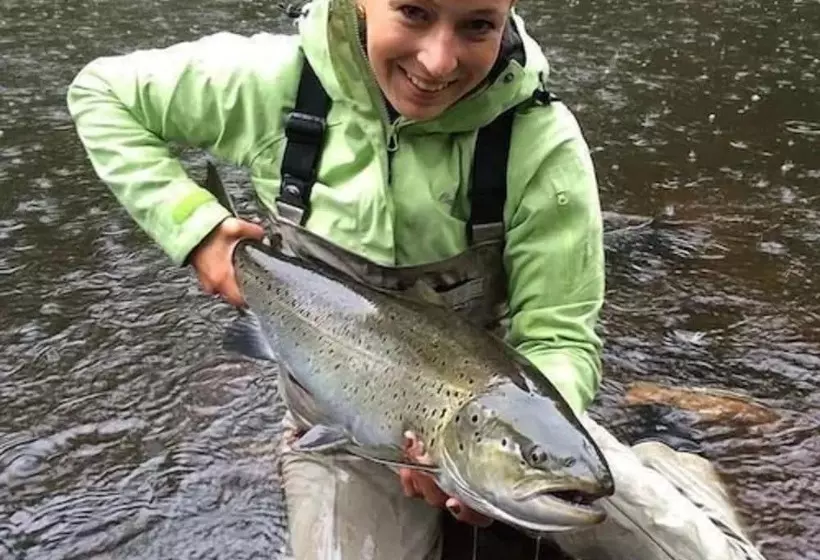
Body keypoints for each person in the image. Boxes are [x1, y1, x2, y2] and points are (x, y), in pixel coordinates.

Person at [66, 0, 768, 558]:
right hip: (336, 437)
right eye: (412, 12)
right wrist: (197, 230)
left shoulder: (539, 143)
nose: (437, 60)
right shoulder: (271, 84)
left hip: (505, 423)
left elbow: (558, 333)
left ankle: (671, 468)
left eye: (477, 26)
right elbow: (100, 93)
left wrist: (484, 467)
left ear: (510, 15)